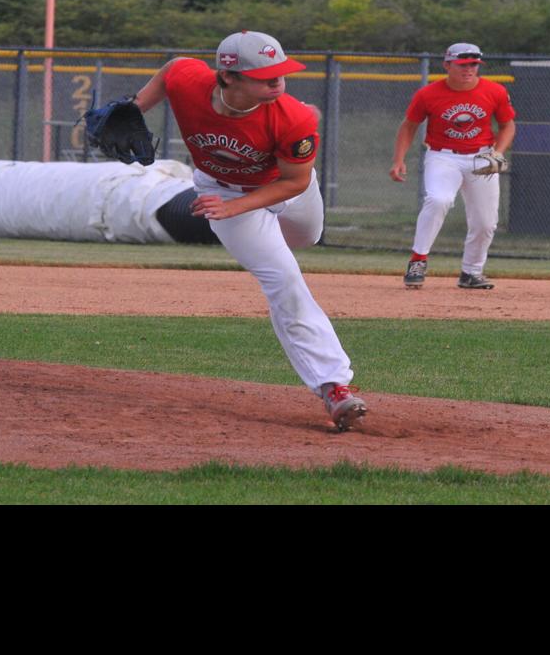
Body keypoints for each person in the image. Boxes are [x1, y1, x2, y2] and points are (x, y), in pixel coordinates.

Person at [131, 30, 367, 430]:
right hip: (222, 190)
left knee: (305, 238)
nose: (278, 81)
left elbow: (293, 182)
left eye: (281, 72)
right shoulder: (192, 82)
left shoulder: (294, 118)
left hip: (286, 188)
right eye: (265, 75)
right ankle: (334, 387)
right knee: (284, 277)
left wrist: (234, 206)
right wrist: (137, 107)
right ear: (228, 77)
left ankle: (270, 243)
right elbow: (172, 70)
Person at [390, 43, 518, 291]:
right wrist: (398, 159)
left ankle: (471, 272)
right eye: (462, 64)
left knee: (485, 222)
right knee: (438, 200)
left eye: (473, 64)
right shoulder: (428, 94)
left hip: (482, 157)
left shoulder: (495, 91)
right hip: (443, 156)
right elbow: (409, 126)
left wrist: (497, 153)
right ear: (447, 65)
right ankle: (418, 260)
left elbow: (508, 125)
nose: (469, 69)